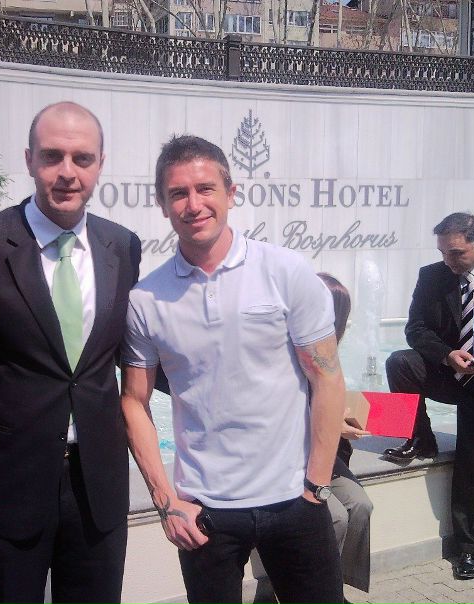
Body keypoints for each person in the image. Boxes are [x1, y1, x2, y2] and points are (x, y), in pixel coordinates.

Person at [121, 134, 345, 604]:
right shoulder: (146, 299)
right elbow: (134, 402)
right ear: (162, 203)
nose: (193, 204)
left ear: (231, 192)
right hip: (204, 510)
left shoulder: (285, 271)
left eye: (205, 188)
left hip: (294, 499)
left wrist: (317, 487)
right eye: (178, 193)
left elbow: (326, 376)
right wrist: (166, 502)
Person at [0, 101, 141, 604]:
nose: (68, 172)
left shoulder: (122, 246)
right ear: (29, 160)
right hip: (9, 483)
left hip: (97, 485)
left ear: (100, 163)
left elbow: (129, 352)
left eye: (82, 158)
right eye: (52, 156)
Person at [384, 212, 474, 579]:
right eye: (443, 253)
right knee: (399, 362)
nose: (448, 261)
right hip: (450, 372)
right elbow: (415, 329)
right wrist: (447, 354)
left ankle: (469, 549)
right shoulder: (432, 276)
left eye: (456, 253)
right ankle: (420, 438)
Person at [317, 272, 374, 596]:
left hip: (322, 452)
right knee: (336, 517)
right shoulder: (281, 351)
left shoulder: (328, 353)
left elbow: (328, 400)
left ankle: (334, 588)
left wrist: (348, 415)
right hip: (287, 459)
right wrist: (330, 424)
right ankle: (309, 591)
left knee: (361, 506)